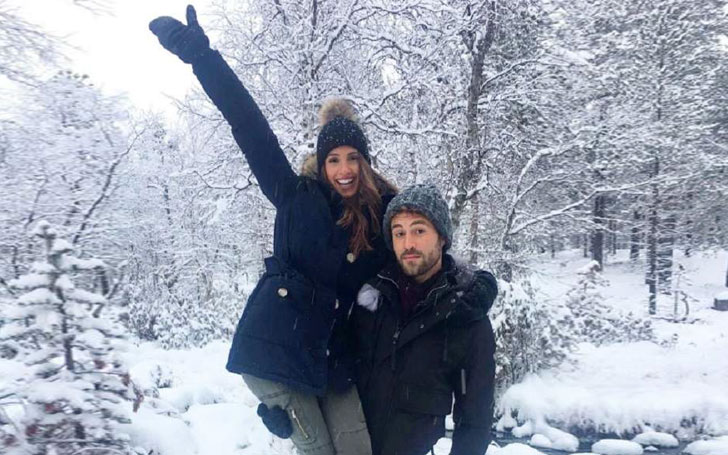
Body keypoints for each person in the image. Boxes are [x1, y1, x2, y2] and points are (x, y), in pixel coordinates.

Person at [149, 6, 397, 455]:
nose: (344, 170)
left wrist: (463, 285)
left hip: (333, 357)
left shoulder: (380, 217)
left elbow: (418, 257)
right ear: (321, 163)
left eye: (352, 159)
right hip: (277, 349)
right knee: (317, 450)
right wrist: (202, 57)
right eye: (333, 159)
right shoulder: (293, 194)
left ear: (365, 162)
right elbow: (247, 123)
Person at [353, 184, 498, 455]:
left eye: (419, 231)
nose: (408, 244)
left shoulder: (465, 315)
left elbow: (475, 419)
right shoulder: (371, 299)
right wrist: (285, 397)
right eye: (399, 233)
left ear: (442, 237)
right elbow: (333, 365)